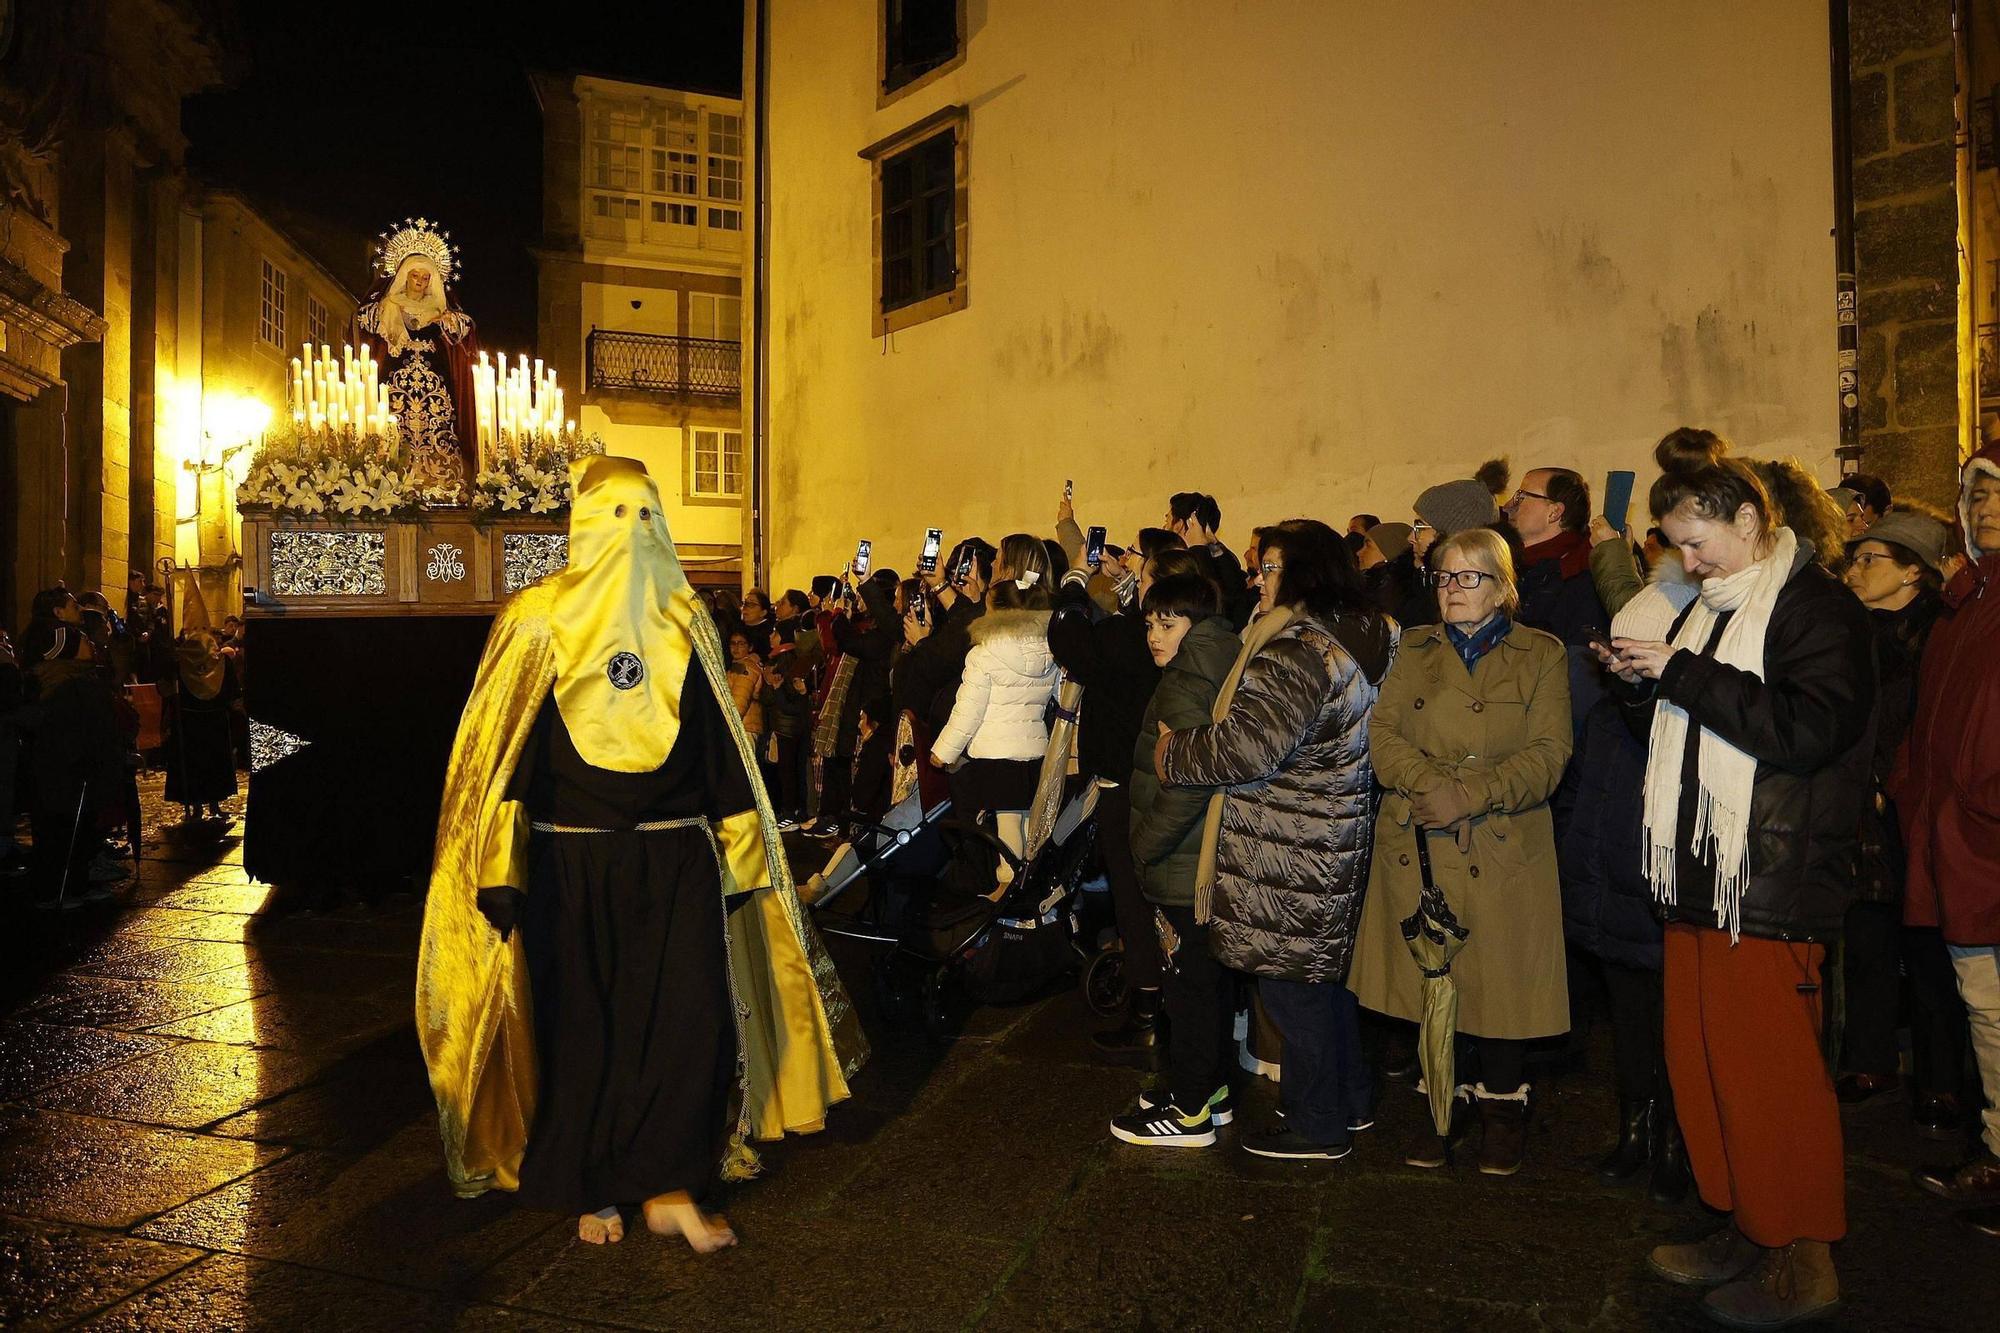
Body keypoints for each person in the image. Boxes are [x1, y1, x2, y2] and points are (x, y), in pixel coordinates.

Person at [415, 456, 863, 1253]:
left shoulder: (684, 617)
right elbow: (507, 753)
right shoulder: (536, 618)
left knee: (687, 1029)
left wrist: (741, 861)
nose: (633, 535)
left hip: (677, 863)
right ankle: (597, 1185)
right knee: (586, 1030)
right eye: (615, 514)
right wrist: (501, 869)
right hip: (571, 867)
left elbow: (721, 751)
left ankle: (665, 1183)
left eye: (645, 515)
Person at [1601, 429, 1870, 1327]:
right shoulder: (1719, 602)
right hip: (1704, 871)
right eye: (1675, 542)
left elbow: (1806, 731)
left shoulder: (1814, 607)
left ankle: (1802, 1253)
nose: (1686, 558)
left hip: (1770, 879)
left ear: (1750, 519)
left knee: (1772, 1075)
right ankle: (1744, 1222)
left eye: (1696, 539)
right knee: (1706, 1064)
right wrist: (1645, 681)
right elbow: (1701, 716)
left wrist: (1678, 669)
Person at [1154, 519, 1395, 1160]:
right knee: (1323, 983)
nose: (1258, 579)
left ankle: (1318, 1126)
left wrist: (1174, 752)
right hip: (1325, 834)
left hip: (1289, 846)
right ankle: (1350, 1102)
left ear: (1300, 572)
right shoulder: (1357, 636)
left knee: (1293, 990)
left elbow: (1247, 748)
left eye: (1270, 567)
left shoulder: (1297, 651)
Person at [1350, 528, 1572, 1176]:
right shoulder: (1411, 649)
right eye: (1444, 576)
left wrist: (1472, 795)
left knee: (1502, 984)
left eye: (1468, 577)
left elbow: (1550, 753)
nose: (1451, 588)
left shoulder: (1541, 655)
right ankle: (1438, 1103)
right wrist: (1430, 788)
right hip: (1420, 837)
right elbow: (1382, 732)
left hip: (1501, 838)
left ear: (1503, 588)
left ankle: (1503, 1108)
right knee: (1432, 981)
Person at [1559, 548, 1699, 1199]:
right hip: (1616, 895)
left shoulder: (1678, 719)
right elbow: (1587, 804)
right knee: (1631, 1024)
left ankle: (1676, 1141)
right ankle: (1634, 1130)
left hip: (1661, 896)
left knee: (1678, 1029)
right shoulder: (1608, 721)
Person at [1895, 441, 2000, 1239]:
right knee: (1985, 1014)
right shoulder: (1965, 603)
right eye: (1976, 494)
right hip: (1961, 845)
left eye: (1999, 490)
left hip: (1986, 839)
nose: (1986, 506)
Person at [1836, 511, 1966, 1138]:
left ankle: (1941, 1080)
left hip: (1915, 803)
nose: (1855, 570)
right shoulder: (1846, 631)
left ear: (1914, 570)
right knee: (1865, 938)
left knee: (1929, 945)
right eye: (1854, 559)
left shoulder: (1940, 633)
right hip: (1858, 802)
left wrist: (1902, 781)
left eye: (1871, 560)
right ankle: (1870, 1060)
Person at [1108, 568, 1240, 1145]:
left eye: (1168, 623)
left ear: (1197, 624)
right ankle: (1206, 1086)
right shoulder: (1214, 664)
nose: (1154, 636)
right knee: (1203, 980)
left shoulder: (1186, 683)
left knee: (1187, 985)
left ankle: (1189, 1113)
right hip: (1198, 859)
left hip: (1181, 861)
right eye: (1149, 623)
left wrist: (1145, 845)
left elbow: (1187, 780)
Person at [1049, 494, 1169, 1065]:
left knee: (1132, 899)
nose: (1129, 572)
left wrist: (1074, 579)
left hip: (1127, 785)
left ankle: (1147, 1011)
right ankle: (1158, 1003)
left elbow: (1073, 642)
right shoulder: (1169, 636)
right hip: (1157, 782)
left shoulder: (1131, 638)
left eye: (1140, 568)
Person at [930, 534, 1061, 888]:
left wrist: (943, 752)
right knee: (1026, 824)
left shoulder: (984, 654)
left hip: (996, 754)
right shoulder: (1048, 652)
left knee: (1005, 829)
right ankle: (1023, 886)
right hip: (1035, 750)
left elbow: (967, 711)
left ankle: (1009, 889)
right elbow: (1059, 697)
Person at [353, 220, 481, 497]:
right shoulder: (386, 306)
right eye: (416, 277)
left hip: (435, 384)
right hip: (396, 379)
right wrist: (385, 312)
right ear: (404, 276)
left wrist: (449, 321)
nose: (421, 283)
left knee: (439, 427)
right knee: (393, 426)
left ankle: (442, 482)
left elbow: (465, 329)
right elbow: (364, 321)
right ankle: (390, 480)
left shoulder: (441, 308)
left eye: (426, 278)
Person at [163, 628, 240, 822]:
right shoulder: (181, 664)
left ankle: (207, 804)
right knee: (205, 763)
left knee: (201, 764)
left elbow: (166, 691)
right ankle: (203, 804)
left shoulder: (181, 664)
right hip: (206, 721)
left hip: (195, 722)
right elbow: (232, 693)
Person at [1168, 492, 1253, 627]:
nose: (1164, 527)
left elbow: (1228, 600)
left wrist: (1200, 548)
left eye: (1167, 520)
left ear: (1179, 525)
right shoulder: (1219, 557)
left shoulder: (1199, 563)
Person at [737, 589, 777, 660]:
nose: (744, 608)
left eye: (751, 605)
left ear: (763, 612)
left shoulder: (769, 632)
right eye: (744, 603)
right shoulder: (736, 628)